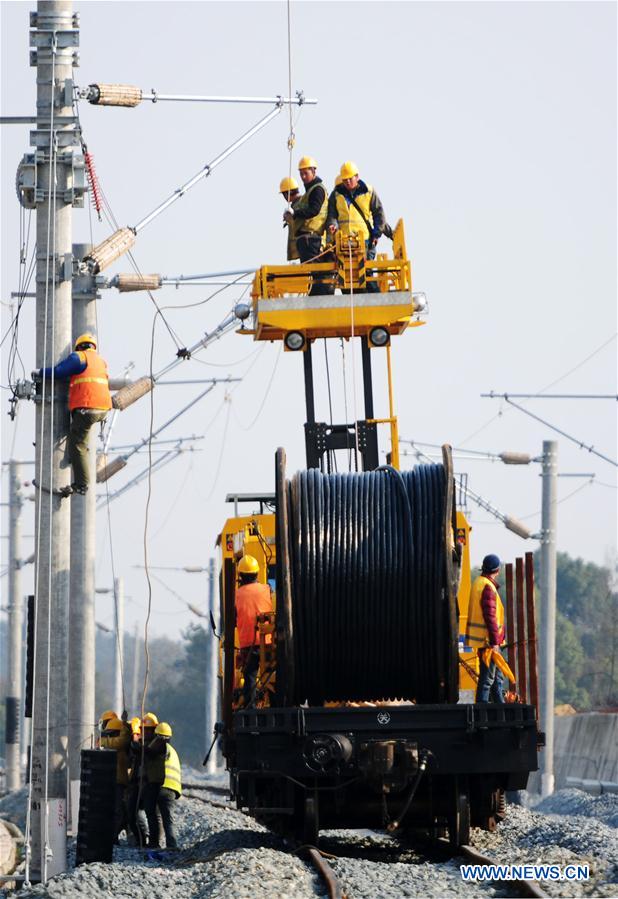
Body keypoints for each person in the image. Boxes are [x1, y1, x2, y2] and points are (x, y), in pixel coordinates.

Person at [34, 333, 112, 495]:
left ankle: (82, 484)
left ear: (79, 346)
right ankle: (74, 459)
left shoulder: (78, 358)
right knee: (79, 437)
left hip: (87, 408)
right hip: (102, 409)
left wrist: (39, 372)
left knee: (77, 444)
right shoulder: (100, 361)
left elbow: (59, 372)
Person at [326, 161, 387, 293]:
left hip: (364, 241)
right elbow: (332, 215)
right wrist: (332, 226)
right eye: (345, 180)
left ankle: (376, 301)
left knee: (366, 274)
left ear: (357, 176)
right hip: (343, 242)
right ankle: (351, 306)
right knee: (346, 278)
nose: (347, 182)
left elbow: (379, 214)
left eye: (350, 179)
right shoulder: (336, 194)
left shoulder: (369, 191)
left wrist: (376, 234)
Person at [284, 155, 333, 295]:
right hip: (307, 240)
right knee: (312, 273)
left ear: (314, 172)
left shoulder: (317, 189)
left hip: (312, 240)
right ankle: (316, 295)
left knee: (316, 274)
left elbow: (314, 210)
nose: (303, 176)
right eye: (301, 174)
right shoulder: (310, 191)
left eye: (306, 173)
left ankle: (319, 298)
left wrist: (295, 213)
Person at [465, 554, 506, 704]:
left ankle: (500, 709)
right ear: (497, 570)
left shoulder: (479, 582)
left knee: (496, 679)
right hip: (489, 642)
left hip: (485, 641)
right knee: (488, 679)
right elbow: (490, 617)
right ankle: (482, 712)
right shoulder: (488, 587)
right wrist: (495, 643)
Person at [235, 555, 273, 708]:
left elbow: (233, 617)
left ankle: (251, 709)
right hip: (268, 642)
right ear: (257, 573)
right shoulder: (266, 589)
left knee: (250, 677)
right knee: (272, 676)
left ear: (241, 576)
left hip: (247, 645)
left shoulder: (237, 595)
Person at [142, 722, 182, 850]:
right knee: (167, 818)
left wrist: (138, 747)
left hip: (162, 787)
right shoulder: (172, 750)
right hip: (171, 788)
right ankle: (171, 845)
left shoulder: (160, 744)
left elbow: (149, 751)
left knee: (153, 814)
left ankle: (156, 843)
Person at [126, 712, 159, 845]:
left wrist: (137, 742)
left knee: (151, 814)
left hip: (149, 783)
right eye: (143, 730)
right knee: (131, 814)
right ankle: (141, 841)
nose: (145, 732)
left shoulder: (156, 743)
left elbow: (145, 751)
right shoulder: (141, 743)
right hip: (137, 783)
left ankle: (153, 842)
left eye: (147, 730)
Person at [99, 716, 130, 841]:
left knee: (118, 811)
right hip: (114, 782)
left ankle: (113, 837)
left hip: (117, 782)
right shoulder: (113, 745)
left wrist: (125, 725)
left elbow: (122, 740)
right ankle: (112, 837)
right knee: (116, 811)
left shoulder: (118, 745)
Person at [279, 176, 302, 261]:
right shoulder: (296, 204)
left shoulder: (299, 204)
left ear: (287, 193)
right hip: (301, 248)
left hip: (302, 247)